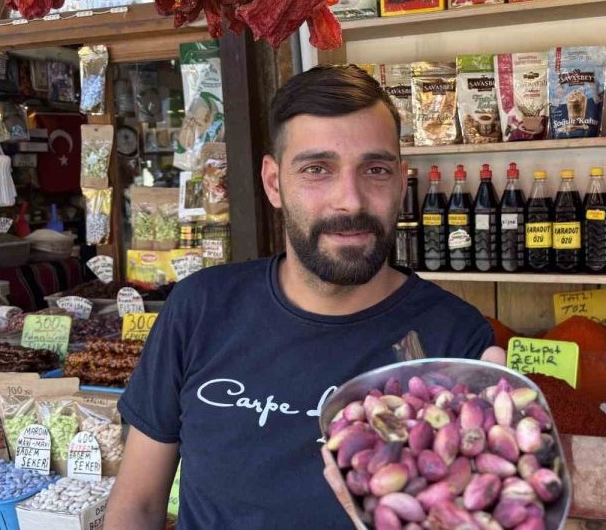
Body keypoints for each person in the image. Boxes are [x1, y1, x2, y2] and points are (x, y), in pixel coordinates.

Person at [105, 65, 504, 529]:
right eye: (317, 169)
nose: (350, 201)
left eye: (374, 170)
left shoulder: (456, 339)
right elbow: (137, 507)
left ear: (400, 181)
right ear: (274, 183)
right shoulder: (200, 308)